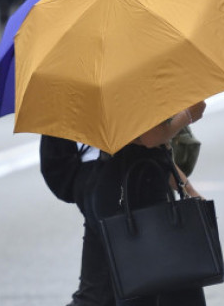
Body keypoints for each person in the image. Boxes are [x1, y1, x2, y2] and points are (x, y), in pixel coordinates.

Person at [42, 101, 207, 306]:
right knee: (156, 290)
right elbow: (150, 137)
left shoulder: (90, 84)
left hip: (105, 185)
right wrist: (189, 114)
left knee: (98, 295)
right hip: (131, 192)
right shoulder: (122, 81)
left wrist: (187, 188)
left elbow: (154, 149)